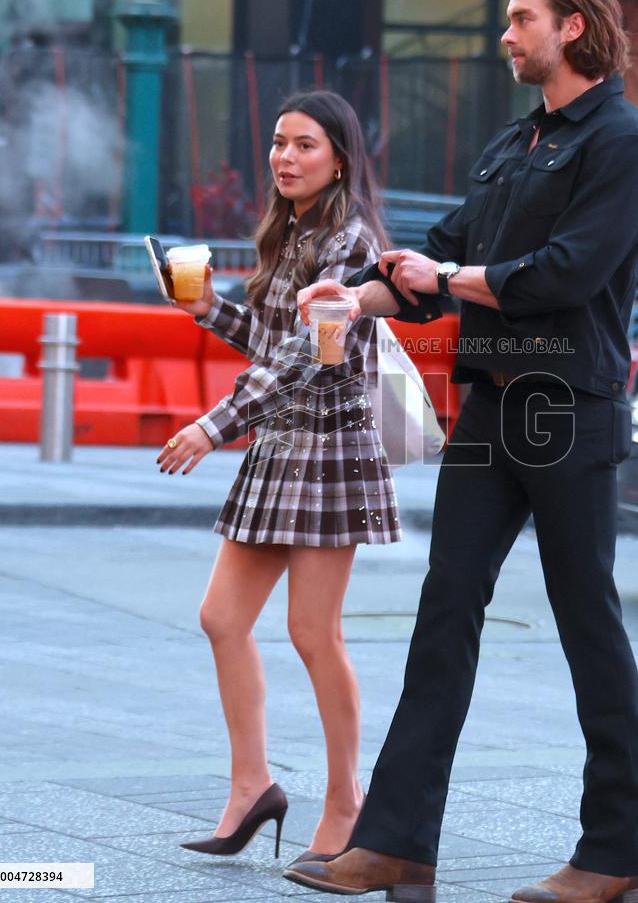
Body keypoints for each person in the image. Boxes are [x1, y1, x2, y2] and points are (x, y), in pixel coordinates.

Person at [287, 0, 638, 903]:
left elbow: (560, 275)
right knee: (443, 612)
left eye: (519, 18)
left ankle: (616, 857)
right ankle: (398, 843)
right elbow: (443, 250)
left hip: (568, 408)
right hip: (495, 406)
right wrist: (359, 296)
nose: (505, 33)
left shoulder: (621, 143)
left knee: (588, 627)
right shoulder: (516, 142)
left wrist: (442, 279)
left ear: (571, 27)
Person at [157, 90, 400, 863]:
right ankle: (251, 787)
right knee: (221, 618)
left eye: (303, 145)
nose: (284, 157)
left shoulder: (350, 241)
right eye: (277, 143)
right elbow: (271, 342)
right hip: (278, 447)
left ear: (339, 158)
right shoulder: (290, 230)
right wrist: (208, 310)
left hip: (327, 451)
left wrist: (211, 425)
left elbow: (308, 358)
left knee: (312, 633)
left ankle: (346, 801)